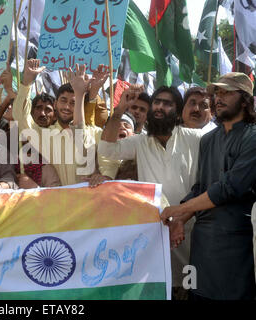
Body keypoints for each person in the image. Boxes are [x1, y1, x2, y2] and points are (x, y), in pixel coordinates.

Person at [98, 84, 206, 299]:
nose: (159, 107)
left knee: (192, 287)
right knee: (163, 288)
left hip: (191, 230)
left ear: (178, 111)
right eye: (156, 102)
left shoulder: (196, 138)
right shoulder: (141, 142)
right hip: (157, 232)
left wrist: (181, 219)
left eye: (167, 104)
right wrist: (119, 111)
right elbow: (107, 149)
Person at [161, 72, 256, 300]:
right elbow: (200, 186)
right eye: (218, 93)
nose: (219, 98)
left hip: (235, 242)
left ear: (244, 99)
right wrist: (180, 221)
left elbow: (228, 188)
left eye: (227, 92)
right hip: (202, 242)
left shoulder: (252, 137)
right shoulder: (208, 139)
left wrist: (180, 210)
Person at [12, 59, 109, 186]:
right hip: (59, 203)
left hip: (90, 202)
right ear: (55, 103)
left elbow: (109, 161)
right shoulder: (45, 135)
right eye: (63, 100)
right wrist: (27, 83)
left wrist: (103, 174)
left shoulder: (96, 133)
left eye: (73, 103)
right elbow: (20, 116)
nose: (67, 107)